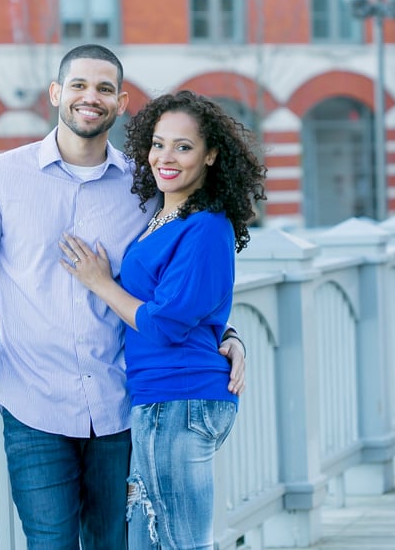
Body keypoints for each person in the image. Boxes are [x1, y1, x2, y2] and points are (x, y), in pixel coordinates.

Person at [0, 45, 246, 549]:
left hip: (122, 403)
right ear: (56, 93)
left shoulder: (144, 187)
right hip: (35, 405)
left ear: (121, 103)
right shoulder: (3, 176)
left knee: (117, 544)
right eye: (78, 85)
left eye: (104, 89)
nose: (90, 97)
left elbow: (180, 277)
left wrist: (225, 333)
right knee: (50, 544)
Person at [59, 90, 266, 550]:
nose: (165, 157)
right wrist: (230, 336)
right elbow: (195, 307)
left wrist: (100, 282)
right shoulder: (165, 215)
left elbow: (166, 323)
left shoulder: (206, 226)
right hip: (161, 400)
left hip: (179, 399)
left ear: (212, 155)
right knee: (153, 541)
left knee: (180, 543)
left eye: (183, 146)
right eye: (157, 143)